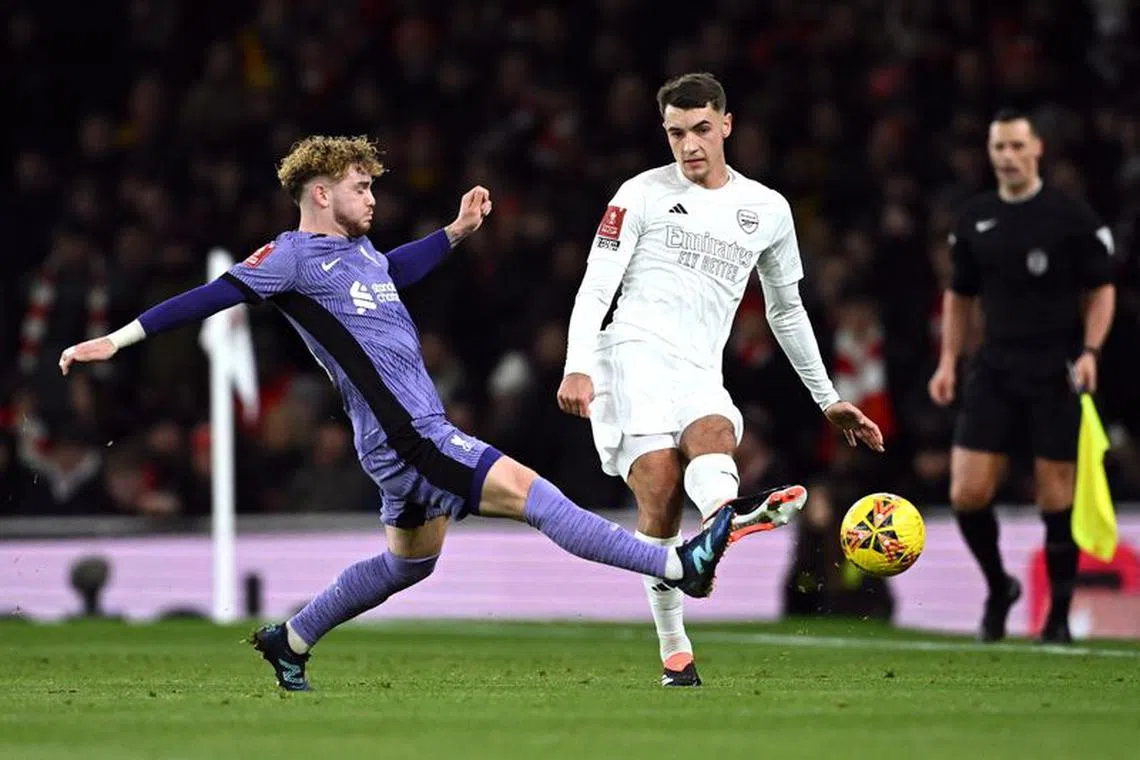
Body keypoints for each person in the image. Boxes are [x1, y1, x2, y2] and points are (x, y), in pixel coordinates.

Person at [58, 135, 738, 691]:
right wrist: (116, 341)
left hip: (392, 441)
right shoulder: (291, 258)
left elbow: (394, 271)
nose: (374, 198)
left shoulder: (359, 256)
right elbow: (211, 296)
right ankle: (679, 567)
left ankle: (291, 640)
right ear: (321, 194)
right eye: (362, 187)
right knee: (535, 494)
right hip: (412, 436)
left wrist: (457, 231)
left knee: (412, 563)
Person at [557, 73, 885, 686]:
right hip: (629, 355)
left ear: (727, 125)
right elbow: (597, 285)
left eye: (702, 129)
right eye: (677, 133)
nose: (690, 145)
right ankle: (675, 643)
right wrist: (577, 363)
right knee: (659, 488)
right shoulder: (638, 194)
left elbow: (787, 309)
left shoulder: (766, 209)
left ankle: (721, 527)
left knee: (713, 435)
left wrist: (828, 397)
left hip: (700, 365)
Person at [928, 109, 1117, 644]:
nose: (1006, 156)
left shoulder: (1068, 216)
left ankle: (1057, 618)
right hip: (994, 365)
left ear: (1036, 150)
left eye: (1015, 146)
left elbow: (1101, 288)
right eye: (998, 148)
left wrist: (1091, 351)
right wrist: (949, 361)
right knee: (967, 491)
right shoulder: (974, 218)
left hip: (1055, 366)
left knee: (1056, 494)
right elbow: (960, 296)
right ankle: (998, 586)